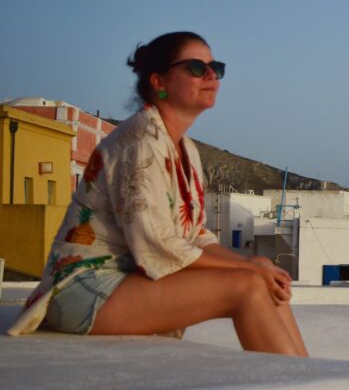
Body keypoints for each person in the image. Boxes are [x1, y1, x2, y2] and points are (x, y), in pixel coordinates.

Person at [6, 32, 308, 356]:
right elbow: (157, 245)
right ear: (159, 81)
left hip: (125, 281)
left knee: (261, 278)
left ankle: (308, 379)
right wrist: (248, 269)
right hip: (84, 288)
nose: (210, 76)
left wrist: (256, 263)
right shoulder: (141, 143)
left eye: (215, 68)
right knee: (248, 286)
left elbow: (194, 235)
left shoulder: (185, 150)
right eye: (195, 67)